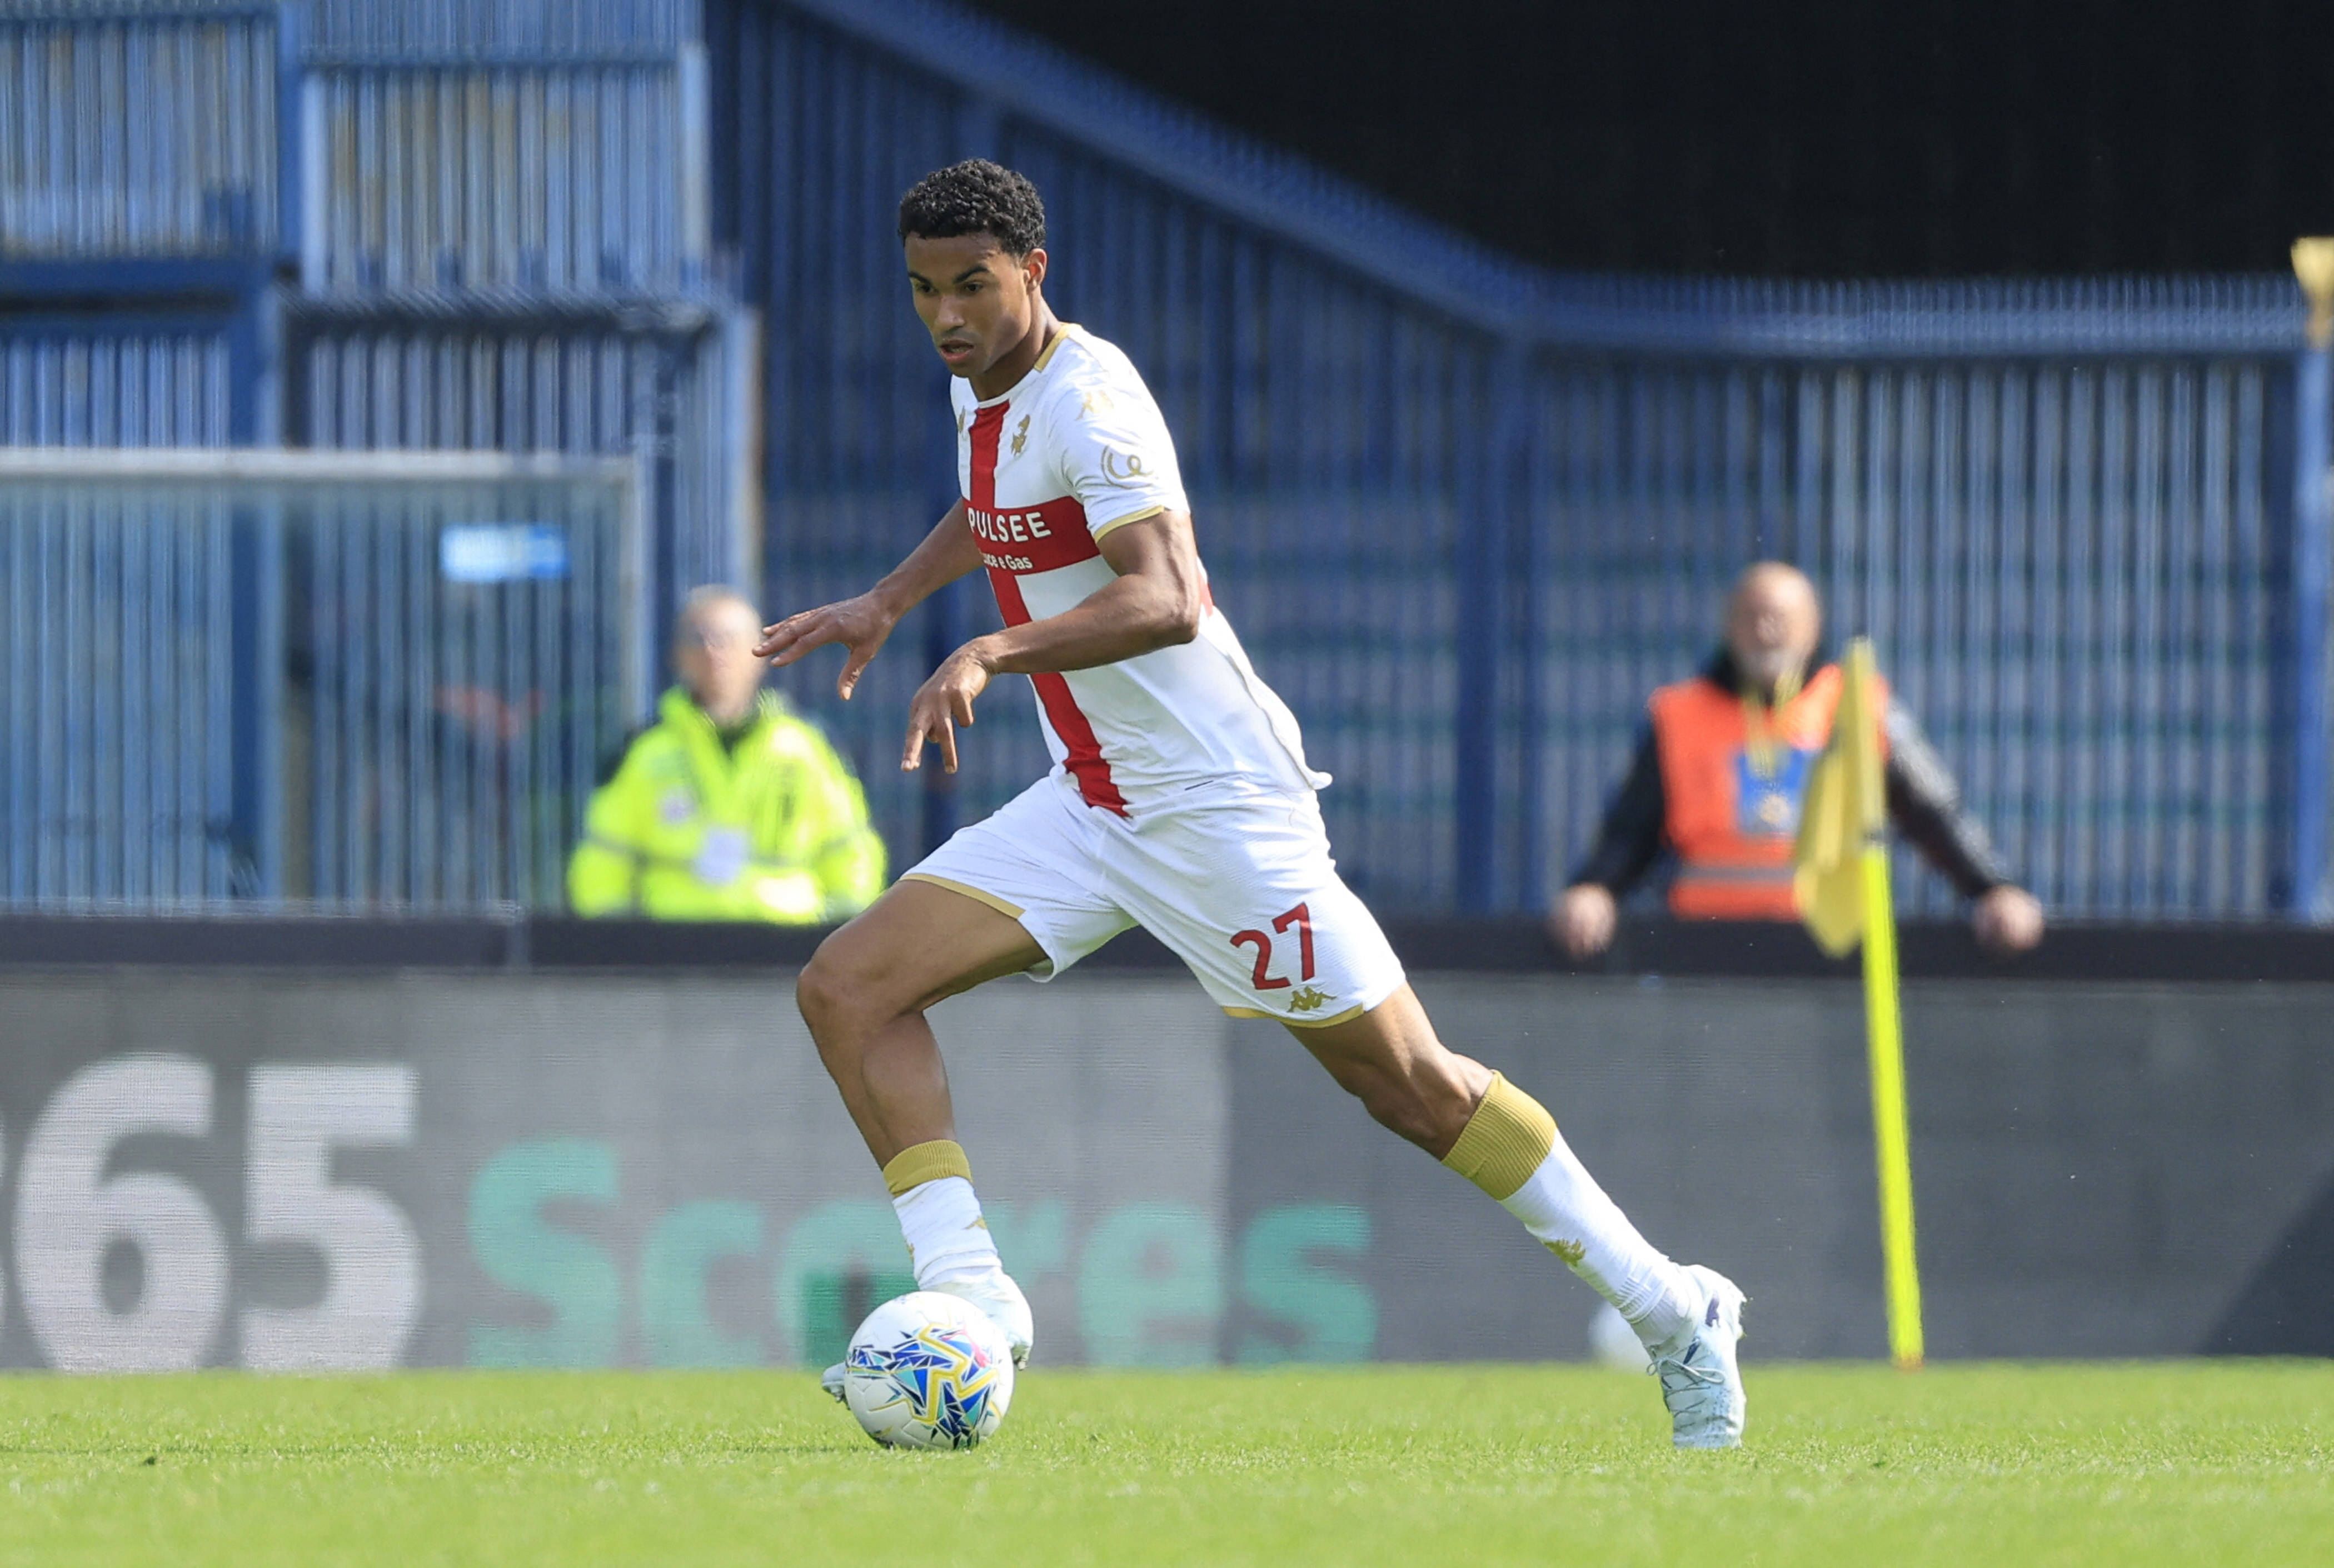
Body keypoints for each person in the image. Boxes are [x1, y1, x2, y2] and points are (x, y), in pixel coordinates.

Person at [756, 160, 1747, 1447]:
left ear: (1033, 274)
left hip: (1219, 812)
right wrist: (893, 598)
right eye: (924, 290)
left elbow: (1166, 594)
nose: (946, 315)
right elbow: (999, 507)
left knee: (1412, 1089)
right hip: (1094, 802)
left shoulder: (1094, 398)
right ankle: (973, 1296)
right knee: (847, 987)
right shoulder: (984, 384)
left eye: (973, 287)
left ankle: (1672, 1313)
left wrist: (991, 650)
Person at [1549, 562, 2047, 960]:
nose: (1767, 630)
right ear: (1729, 626)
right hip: (1707, 950)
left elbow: (1935, 811)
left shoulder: (1859, 707)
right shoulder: (1679, 715)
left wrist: (1992, 889)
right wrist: (1596, 888)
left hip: (1835, 948)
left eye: (1783, 618)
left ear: (1814, 627)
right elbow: (1630, 830)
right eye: (1753, 616)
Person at [568, 587, 886, 923]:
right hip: (673, 952)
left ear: (761, 654)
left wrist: (835, 947)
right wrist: (620, 953)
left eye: (728, 639)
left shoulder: (807, 748)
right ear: (678, 654)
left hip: (786, 950)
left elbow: (852, 855)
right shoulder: (644, 752)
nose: (712, 652)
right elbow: (603, 862)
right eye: (699, 639)